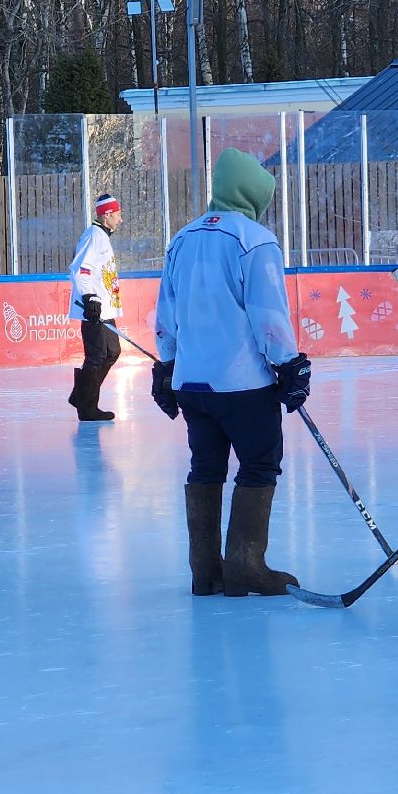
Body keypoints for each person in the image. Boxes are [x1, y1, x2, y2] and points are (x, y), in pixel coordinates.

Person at [152, 149, 311, 598]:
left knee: (205, 466)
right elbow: (268, 312)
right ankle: (245, 564)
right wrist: (288, 363)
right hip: (242, 382)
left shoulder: (182, 239)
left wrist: (167, 364)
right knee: (259, 464)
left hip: (192, 384)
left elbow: (166, 312)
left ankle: (206, 571)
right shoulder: (255, 240)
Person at [67, 194, 125, 422]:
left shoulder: (102, 236)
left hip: (107, 310)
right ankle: (87, 406)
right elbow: (80, 269)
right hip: (94, 309)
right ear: (107, 214)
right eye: (118, 215)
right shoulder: (94, 236)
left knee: (112, 352)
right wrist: (90, 298)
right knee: (97, 355)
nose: (120, 220)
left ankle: (81, 395)